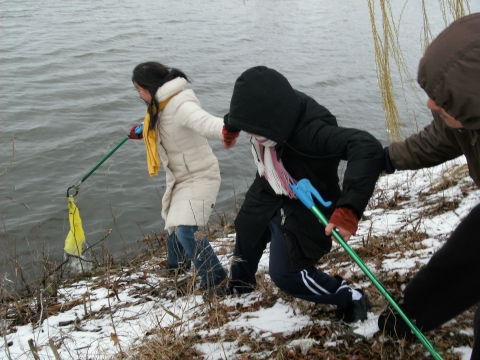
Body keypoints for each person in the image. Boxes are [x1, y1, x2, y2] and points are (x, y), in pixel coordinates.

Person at [211, 66, 384, 323]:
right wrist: (232, 126)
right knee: (247, 227)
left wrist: (350, 208)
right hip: (272, 183)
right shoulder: (270, 109)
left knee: (286, 274)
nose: (249, 134)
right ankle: (240, 286)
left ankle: (349, 296)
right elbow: (243, 112)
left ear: (272, 120)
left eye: (252, 129)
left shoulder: (312, 133)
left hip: (308, 199)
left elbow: (366, 146)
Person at [378, 13, 480, 359]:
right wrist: (386, 159)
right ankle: (406, 320)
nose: (430, 104)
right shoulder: (468, 115)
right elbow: (443, 135)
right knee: (455, 262)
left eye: (444, 100)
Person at [128, 62, 239, 291]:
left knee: (186, 229)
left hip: (200, 175)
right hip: (180, 177)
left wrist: (226, 129)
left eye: (139, 89)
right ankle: (177, 265)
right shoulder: (160, 106)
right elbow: (164, 124)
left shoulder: (180, 103)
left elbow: (203, 121)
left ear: (150, 87)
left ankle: (215, 277)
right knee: (172, 222)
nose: (138, 94)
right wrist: (143, 130)